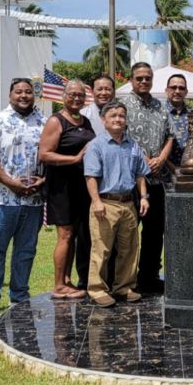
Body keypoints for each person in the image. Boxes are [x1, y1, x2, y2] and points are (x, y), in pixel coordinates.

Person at [0, 78, 47, 318]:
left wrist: (43, 181)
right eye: (18, 92)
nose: (23, 96)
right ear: (10, 95)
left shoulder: (44, 123)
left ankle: (20, 296)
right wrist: (10, 183)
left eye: (28, 92)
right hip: (2, 200)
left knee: (26, 251)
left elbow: (51, 156)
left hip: (33, 201)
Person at [84, 102, 150, 307]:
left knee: (129, 249)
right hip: (105, 204)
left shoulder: (133, 145)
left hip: (129, 204)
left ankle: (124, 287)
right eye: (113, 116)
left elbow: (140, 174)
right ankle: (97, 289)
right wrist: (96, 202)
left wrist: (144, 197)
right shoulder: (97, 145)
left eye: (121, 115)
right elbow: (90, 177)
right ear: (103, 120)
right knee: (101, 249)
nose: (118, 119)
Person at [39, 80, 95, 299]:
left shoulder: (85, 120)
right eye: (72, 94)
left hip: (81, 185)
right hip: (62, 187)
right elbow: (45, 154)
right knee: (65, 235)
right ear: (63, 96)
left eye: (80, 95)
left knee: (73, 235)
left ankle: (67, 280)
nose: (76, 98)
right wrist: (74, 159)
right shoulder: (56, 120)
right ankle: (58, 286)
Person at [122, 62, 174, 293]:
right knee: (128, 232)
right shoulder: (122, 106)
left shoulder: (160, 106)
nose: (144, 81)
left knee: (154, 232)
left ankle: (149, 276)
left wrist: (162, 158)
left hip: (158, 179)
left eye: (148, 78)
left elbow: (170, 136)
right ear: (132, 80)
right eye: (139, 78)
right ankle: (126, 280)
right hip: (131, 181)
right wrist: (142, 159)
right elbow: (120, 135)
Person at [77, 74, 117, 288]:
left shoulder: (119, 115)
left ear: (113, 91)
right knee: (86, 235)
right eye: (99, 89)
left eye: (108, 89)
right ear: (92, 91)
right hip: (88, 182)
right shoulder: (82, 116)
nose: (104, 92)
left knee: (113, 236)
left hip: (114, 184)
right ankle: (85, 280)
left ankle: (111, 278)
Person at [165, 74, 190, 174]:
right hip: (164, 171)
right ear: (166, 90)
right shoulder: (158, 113)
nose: (177, 91)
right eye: (173, 87)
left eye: (181, 88)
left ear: (186, 92)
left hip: (189, 171)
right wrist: (173, 168)